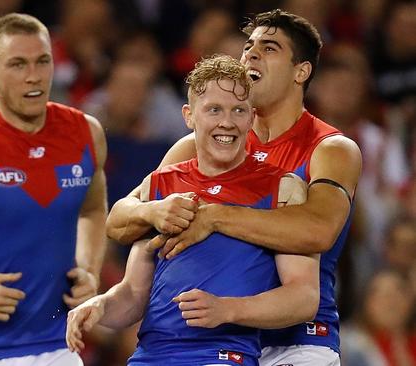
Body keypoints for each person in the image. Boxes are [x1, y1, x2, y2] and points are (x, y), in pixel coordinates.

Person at [106, 9, 362, 366]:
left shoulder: (331, 149)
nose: (251, 55)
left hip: (296, 340)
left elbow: (319, 231)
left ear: (301, 72)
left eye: (269, 48)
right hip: (213, 338)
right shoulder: (199, 144)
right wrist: (153, 211)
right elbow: (121, 221)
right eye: (249, 46)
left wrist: (215, 217)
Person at [67, 54, 319, 366]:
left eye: (238, 110)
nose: (226, 122)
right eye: (214, 109)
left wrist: (228, 309)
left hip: (223, 356)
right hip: (147, 358)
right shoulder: (161, 186)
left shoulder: (281, 188)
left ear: (251, 117)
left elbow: (303, 297)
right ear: (189, 115)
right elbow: (132, 295)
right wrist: (100, 307)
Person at [0, 13, 108, 366]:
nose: (33, 76)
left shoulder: (86, 133)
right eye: (18, 64)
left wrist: (90, 270)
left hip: (60, 345)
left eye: (42, 61)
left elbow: (93, 210)